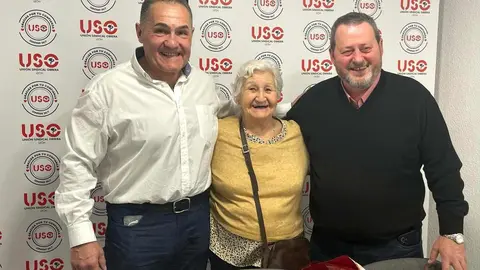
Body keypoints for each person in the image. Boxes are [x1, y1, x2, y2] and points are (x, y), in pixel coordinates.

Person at [286, 12, 469, 269]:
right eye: (347, 50)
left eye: (366, 48)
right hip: (327, 248)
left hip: (397, 247)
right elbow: (276, 148)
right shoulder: (312, 103)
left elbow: (444, 170)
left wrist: (452, 232)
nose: (358, 59)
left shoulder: (415, 99)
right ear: (332, 56)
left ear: (381, 47)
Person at [55, 0, 225, 269]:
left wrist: (295, 108)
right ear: (139, 32)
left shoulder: (204, 84)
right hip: (137, 228)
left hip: (198, 222)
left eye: (182, 32)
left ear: (192, 34)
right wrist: (80, 237)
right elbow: (78, 164)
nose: (172, 42)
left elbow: (239, 111)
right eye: (161, 30)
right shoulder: (107, 90)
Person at [208, 60, 309, 269]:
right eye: (252, 89)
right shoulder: (219, 132)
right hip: (229, 254)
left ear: (278, 96)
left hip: (285, 256)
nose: (261, 97)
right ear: (237, 96)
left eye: (268, 89)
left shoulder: (297, 132)